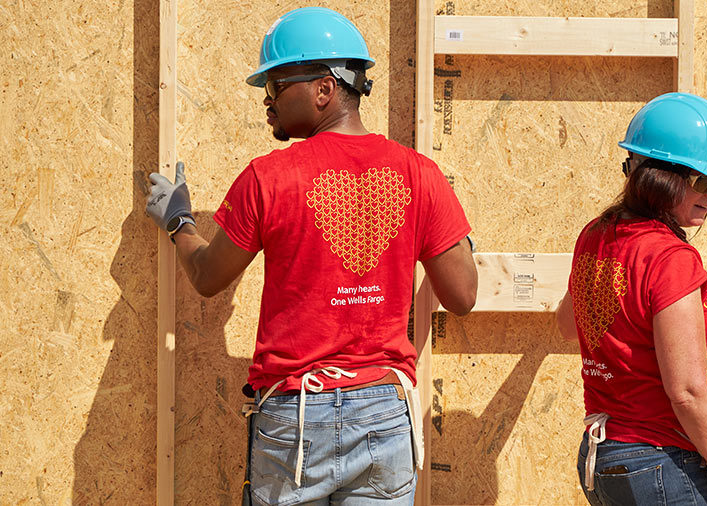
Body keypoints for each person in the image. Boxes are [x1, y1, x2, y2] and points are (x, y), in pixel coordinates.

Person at [145, 7, 477, 505]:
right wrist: (451, 234)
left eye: (277, 85)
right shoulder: (419, 175)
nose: (267, 100)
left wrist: (179, 223)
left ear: (324, 89)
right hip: (383, 416)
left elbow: (207, 275)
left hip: (297, 420)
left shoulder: (270, 176)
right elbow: (464, 295)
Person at [556, 92, 707, 506]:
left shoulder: (596, 235)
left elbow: (566, 324)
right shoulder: (670, 258)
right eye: (705, 181)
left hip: (604, 458)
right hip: (660, 463)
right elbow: (687, 392)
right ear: (661, 177)